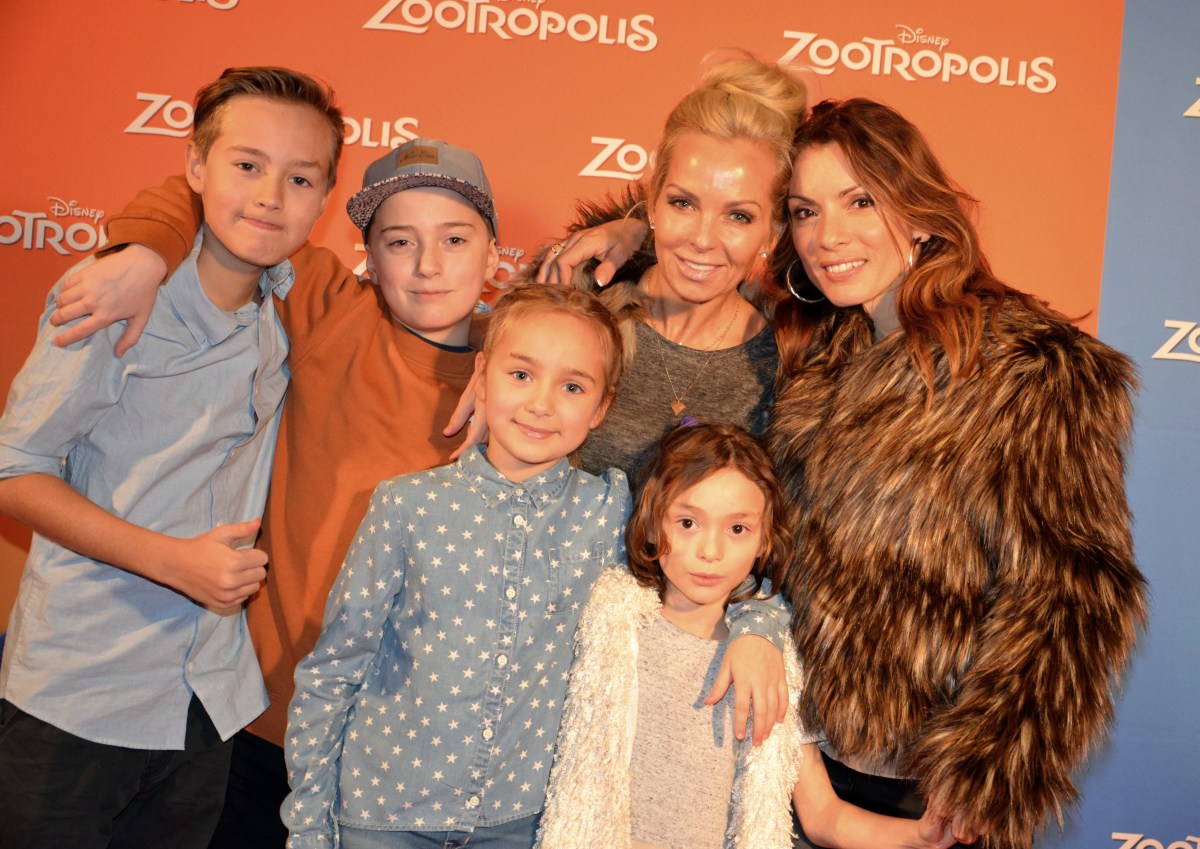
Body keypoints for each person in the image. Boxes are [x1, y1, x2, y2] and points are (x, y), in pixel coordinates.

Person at [45, 136, 503, 847]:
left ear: (494, 256)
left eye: (454, 238)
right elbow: (209, 203)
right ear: (368, 258)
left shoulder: (525, 381)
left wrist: (511, 341)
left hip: (410, 752)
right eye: (400, 241)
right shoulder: (330, 309)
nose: (428, 264)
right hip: (265, 724)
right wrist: (144, 251)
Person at [282, 286, 788, 848]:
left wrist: (757, 631)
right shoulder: (408, 506)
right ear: (482, 378)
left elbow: (716, 560)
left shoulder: (610, 511)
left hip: (520, 824)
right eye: (521, 374)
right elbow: (333, 672)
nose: (542, 403)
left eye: (572, 386)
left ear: (601, 407)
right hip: (384, 815)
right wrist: (309, 828)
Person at [767, 98, 1146, 848]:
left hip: (933, 794)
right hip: (795, 764)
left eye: (860, 201)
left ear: (919, 212)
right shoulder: (816, 351)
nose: (826, 235)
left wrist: (989, 771)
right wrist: (628, 230)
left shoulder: (1028, 366)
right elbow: (698, 255)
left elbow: (1072, 591)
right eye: (805, 210)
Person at [0, 66, 343, 847]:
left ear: (325, 197)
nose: (269, 196)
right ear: (195, 166)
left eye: (299, 178)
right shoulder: (115, 293)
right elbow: (14, 469)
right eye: (246, 165)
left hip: (207, 703)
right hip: (81, 695)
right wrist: (172, 561)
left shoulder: (291, 301)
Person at [534, 422, 954, 849]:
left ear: (764, 540)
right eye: (687, 522)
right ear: (652, 521)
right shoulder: (605, 620)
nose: (710, 551)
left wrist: (921, 834)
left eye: (737, 529)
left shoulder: (776, 665)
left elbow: (823, 816)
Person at [508, 53, 807, 482]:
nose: (702, 238)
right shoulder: (581, 308)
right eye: (683, 203)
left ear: (773, 232)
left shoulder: (790, 372)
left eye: (738, 216)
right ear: (652, 204)